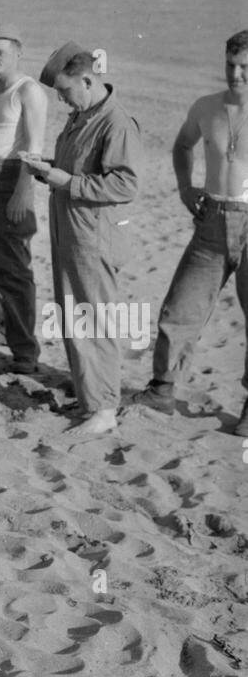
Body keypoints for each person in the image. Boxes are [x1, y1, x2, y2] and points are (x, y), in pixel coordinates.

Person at [133, 30, 248, 437]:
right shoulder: (206, 107)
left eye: (245, 67)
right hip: (213, 219)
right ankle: (162, 388)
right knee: (179, 308)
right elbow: (182, 146)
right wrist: (185, 188)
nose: (236, 75)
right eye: (231, 65)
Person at [25, 43, 141, 436]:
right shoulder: (83, 116)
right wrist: (48, 170)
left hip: (94, 237)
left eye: (65, 91)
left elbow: (125, 183)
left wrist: (66, 181)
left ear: (88, 80)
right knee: (75, 316)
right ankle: (91, 396)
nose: (61, 101)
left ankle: (104, 409)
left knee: (95, 318)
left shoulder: (114, 122)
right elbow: (77, 170)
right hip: (73, 231)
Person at [0, 23, 47, 374]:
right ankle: (2, 331)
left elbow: (34, 149)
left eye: (1, 51)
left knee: (14, 268)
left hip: (11, 178)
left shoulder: (28, 90)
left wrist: (23, 192)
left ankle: (25, 352)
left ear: (19, 51)